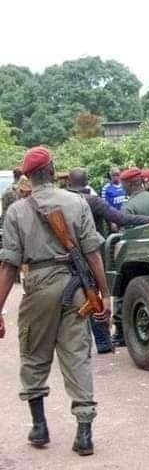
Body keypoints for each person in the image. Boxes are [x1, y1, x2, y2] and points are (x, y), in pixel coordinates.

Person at [0, 147, 111, 457]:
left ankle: (39, 426)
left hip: (37, 285)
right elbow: (93, 254)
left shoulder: (17, 211)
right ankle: (84, 433)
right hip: (76, 287)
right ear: (52, 170)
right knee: (77, 354)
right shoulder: (76, 202)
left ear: (28, 176)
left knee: (34, 354)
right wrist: (104, 294)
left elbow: (9, 265)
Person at [67, 168, 149, 351]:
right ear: (87, 183)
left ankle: (74, 342)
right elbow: (122, 219)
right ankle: (102, 342)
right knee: (92, 293)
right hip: (88, 254)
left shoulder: (62, 201)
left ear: (68, 183)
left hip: (64, 256)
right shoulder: (93, 201)